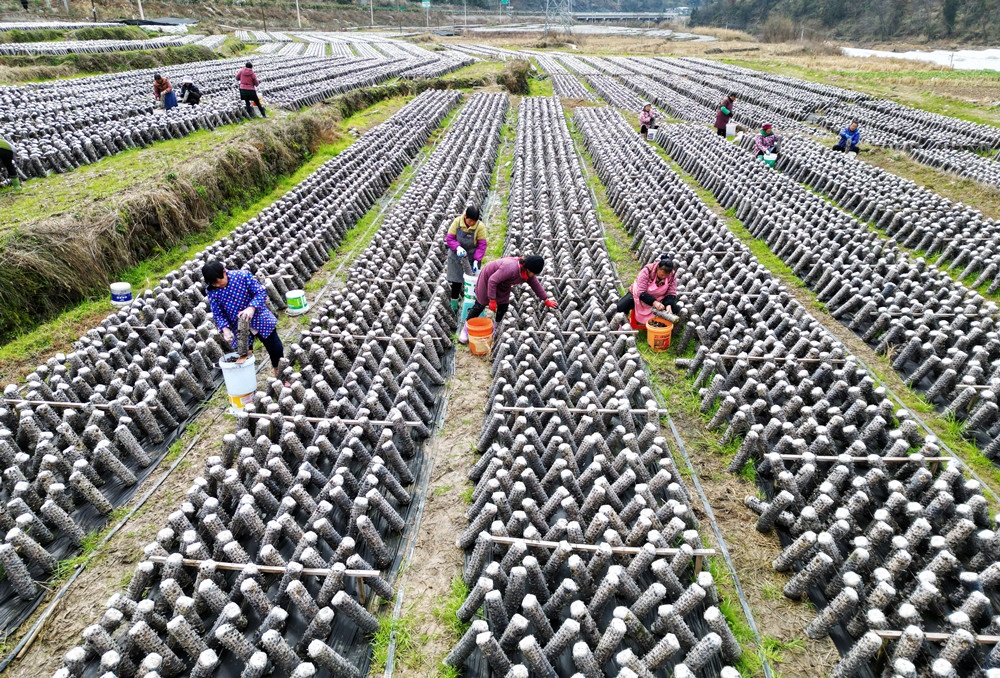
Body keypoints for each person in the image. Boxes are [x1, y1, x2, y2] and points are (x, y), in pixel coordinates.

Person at [202, 261, 285, 379]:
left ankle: (280, 374)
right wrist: (225, 329)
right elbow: (218, 313)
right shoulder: (211, 290)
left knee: (276, 348)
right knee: (244, 355)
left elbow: (260, 292)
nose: (216, 285)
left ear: (224, 273)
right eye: (212, 283)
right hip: (238, 327)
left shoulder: (243, 276)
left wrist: (251, 308)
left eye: (217, 282)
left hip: (259, 318)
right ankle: (248, 381)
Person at [459, 255, 556, 343]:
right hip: (489, 278)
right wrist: (492, 300)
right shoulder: (511, 268)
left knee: (503, 305)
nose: (534, 276)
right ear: (528, 269)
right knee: (480, 305)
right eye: (534, 274)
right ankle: (465, 330)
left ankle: (495, 329)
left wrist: (546, 300)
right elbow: (492, 281)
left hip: (504, 283)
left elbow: (536, 285)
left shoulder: (528, 273)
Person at [607, 255, 679, 329]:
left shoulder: (672, 275)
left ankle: (662, 327)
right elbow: (641, 292)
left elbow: (671, 292)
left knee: (674, 309)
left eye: (666, 275)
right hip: (640, 295)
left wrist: (668, 304)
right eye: (662, 274)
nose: (664, 277)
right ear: (657, 268)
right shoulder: (647, 270)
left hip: (659, 297)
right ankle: (625, 326)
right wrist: (654, 302)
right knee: (621, 306)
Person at [445, 205, 488, 311]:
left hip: (471, 256)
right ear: (465, 217)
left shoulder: (480, 226)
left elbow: (482, 245)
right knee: (456, 281)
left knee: (473, 282)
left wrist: (476, 260)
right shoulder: (457, 222)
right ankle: (454, 304)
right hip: (457, 255)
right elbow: (449, 238)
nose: (472, 223)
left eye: (475, 221)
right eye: (471, 221)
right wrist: (457, 247)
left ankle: (473, 304)